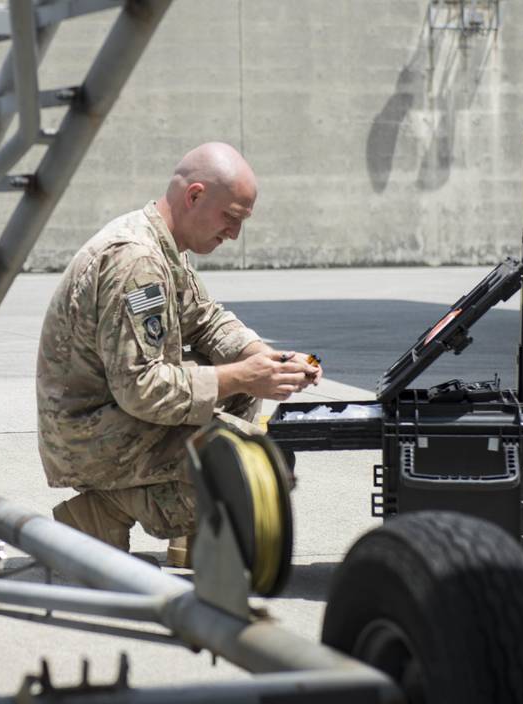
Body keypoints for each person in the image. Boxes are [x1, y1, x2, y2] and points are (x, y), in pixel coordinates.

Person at [36, 141, 322, 561]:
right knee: (255, 464)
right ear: (194, 196)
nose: (234, 233)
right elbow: (143, 388)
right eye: (230, 217)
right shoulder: (136, 261)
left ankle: (194, 532)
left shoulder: (162, 244)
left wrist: (266, 359)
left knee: (239, 376)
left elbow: (204, 319)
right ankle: (103, 507)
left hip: (113, 414)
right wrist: (245, 375)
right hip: (88, 436)